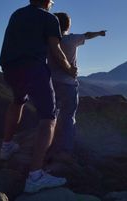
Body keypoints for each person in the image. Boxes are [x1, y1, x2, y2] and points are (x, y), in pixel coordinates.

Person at [0, 0, 77, 193]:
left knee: (18, 101)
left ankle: (6, 147)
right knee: (48, 118)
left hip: (9, 67)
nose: (51, 6)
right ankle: (35, 176)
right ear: (47, 2)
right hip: (33, 68)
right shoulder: (48, 18)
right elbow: (56, 50)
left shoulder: (17, 14)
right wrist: (69, 69)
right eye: (52, 3)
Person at [48, 12, 106, 155]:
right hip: (68, 83)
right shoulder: (72, 39)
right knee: (68, 116)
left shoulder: (49, 40)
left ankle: (48, 144)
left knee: (51, 115)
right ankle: (66, 148)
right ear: (68, 25)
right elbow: (87, 35)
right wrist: (99, 33)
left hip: (50, 82)